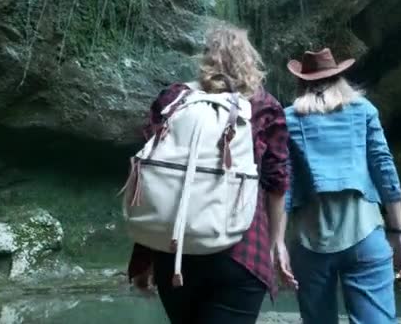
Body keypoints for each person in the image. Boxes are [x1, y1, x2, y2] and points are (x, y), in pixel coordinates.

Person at [126, 24, 294, 324]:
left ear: (205, 58)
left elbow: (156, 177)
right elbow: (277, 181)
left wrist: (145, 255)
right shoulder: (264, 105)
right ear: (250, 59)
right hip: (242, 249)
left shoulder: (173, 98)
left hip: (174, 253)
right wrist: (276, 244)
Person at [276, 48, 401, 324]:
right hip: (365, 234)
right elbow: (385, 171)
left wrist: (277, 243)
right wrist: (398, 233)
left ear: (301, 83)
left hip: (308, 242)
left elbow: (282, 187)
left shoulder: (287, 118)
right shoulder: (363, 110)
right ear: (340, 79)